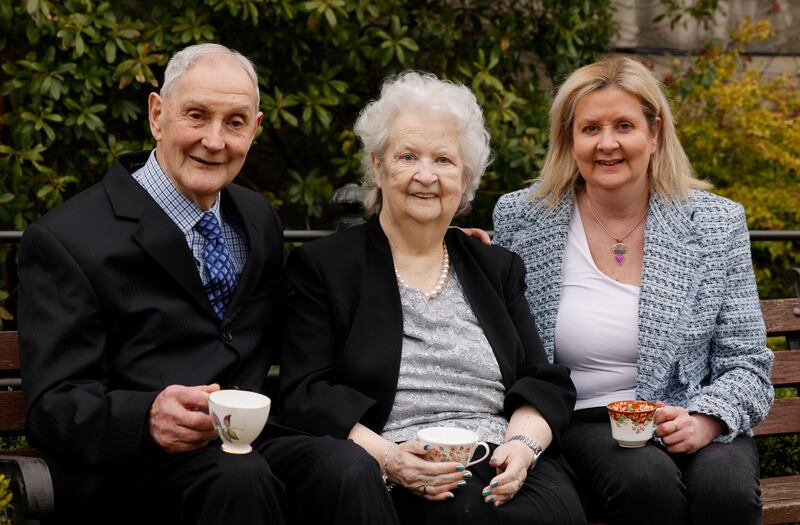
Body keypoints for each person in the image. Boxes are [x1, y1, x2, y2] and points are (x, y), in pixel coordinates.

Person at [16, 43, 390, 525]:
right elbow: (52, 405)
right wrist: (146, 416)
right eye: (196, 116)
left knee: (346, 468)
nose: (214, 141)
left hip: (244, 450)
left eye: (234, 123)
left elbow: (310, 301)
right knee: (239, 478)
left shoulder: (256, 219)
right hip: (130, 474)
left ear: (254, 130)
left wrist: (425, 246)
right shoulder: (65, 239)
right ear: (156, 115)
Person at [277, 71, 586, 525]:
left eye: (444, 159)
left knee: (556, 512)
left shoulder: (495, 268)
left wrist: (522, 448)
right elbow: (305, 393)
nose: (426, 175)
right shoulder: (326, 267)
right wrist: (390, 458)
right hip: (404, 461)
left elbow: (541, 380)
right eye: (407, 156)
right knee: (461, 513)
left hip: (502, 457)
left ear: (465, 178)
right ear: (379, 168)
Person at [492, 57, 774, 525]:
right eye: (590, 128)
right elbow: (499, 330)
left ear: (655, 133)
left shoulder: (715, 222)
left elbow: (747, 360)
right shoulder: (523, 218)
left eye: (624, 125)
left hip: (689, 412)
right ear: (570, 138)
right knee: (646, 483)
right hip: (581, 419)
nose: (607, 144)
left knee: (727, 492)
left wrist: (705, 421)